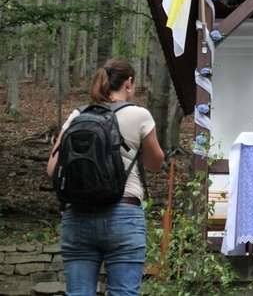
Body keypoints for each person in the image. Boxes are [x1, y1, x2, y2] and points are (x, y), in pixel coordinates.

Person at [46, 59, 164, 296]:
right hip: (123, 215)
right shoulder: (140, 115)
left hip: (77, 215)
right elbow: (154, 164)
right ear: (128, 83)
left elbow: (52, 168)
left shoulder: (78, 114)